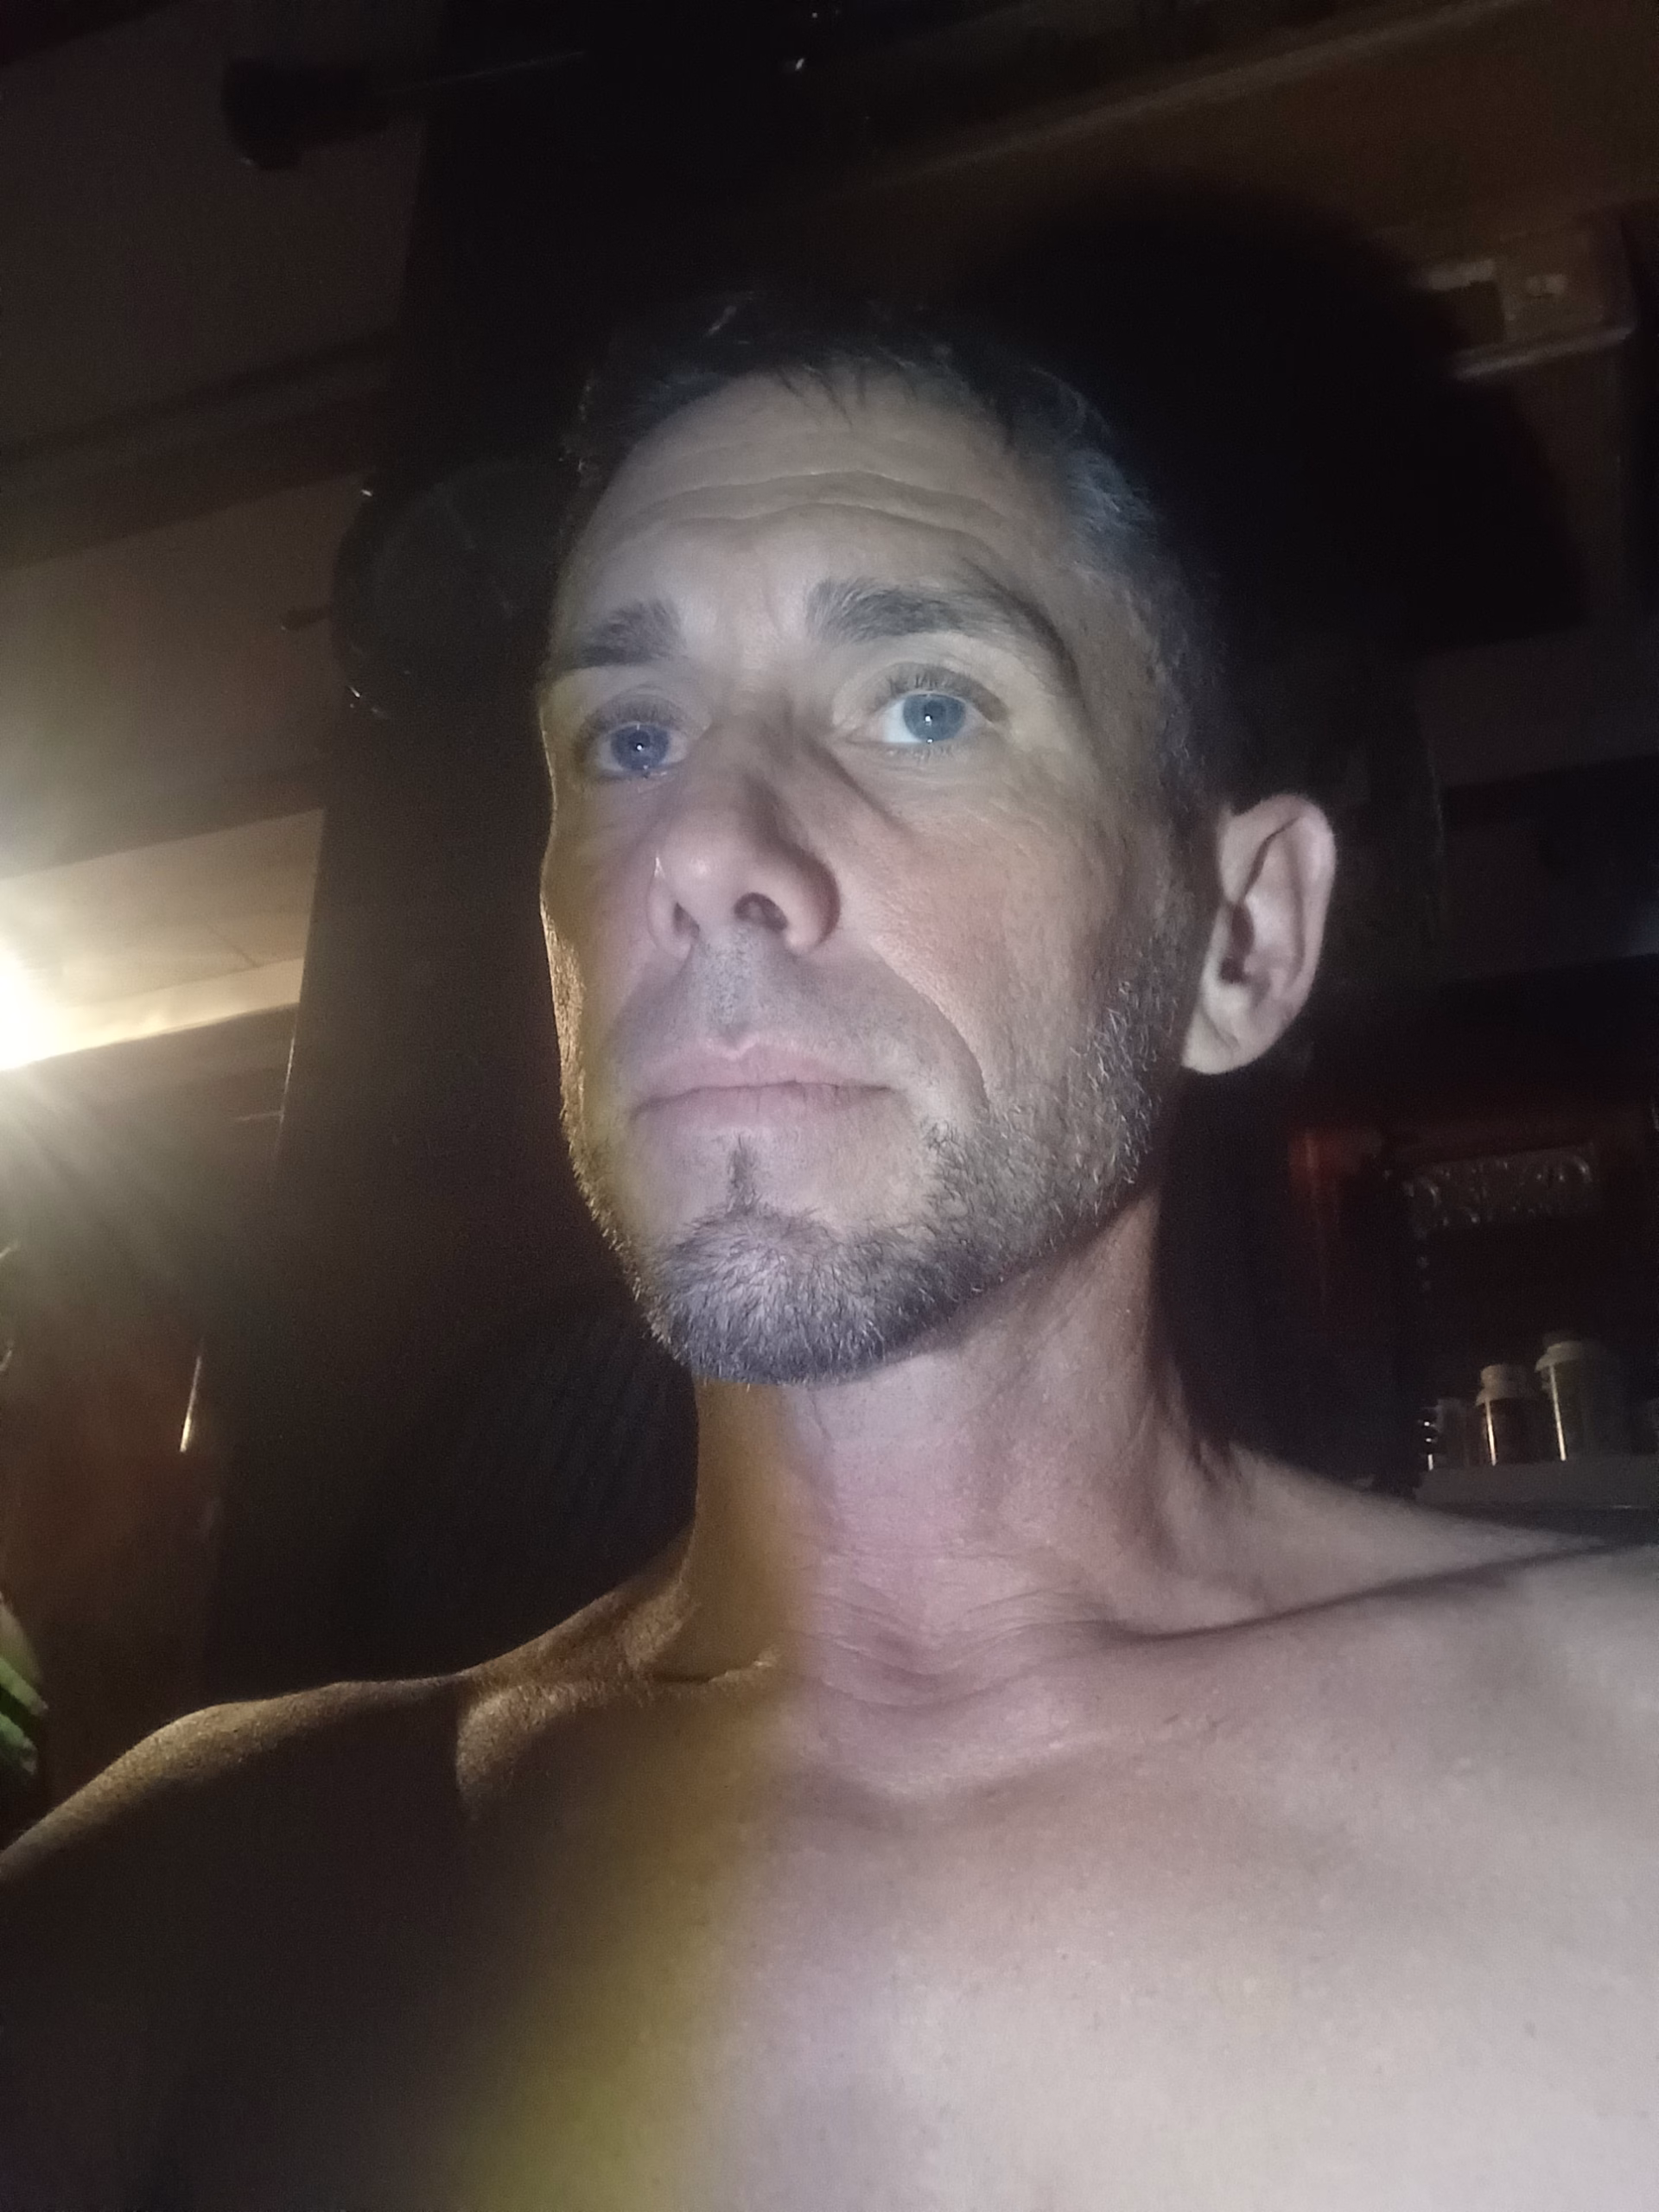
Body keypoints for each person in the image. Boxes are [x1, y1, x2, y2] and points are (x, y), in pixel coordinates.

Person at [2, 295, 1654, 2212]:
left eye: (927, 704)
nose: (700, 844)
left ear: (1241, 938)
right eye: (629, 735)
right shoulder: (182, 1906)